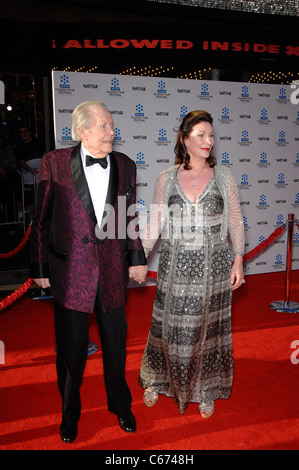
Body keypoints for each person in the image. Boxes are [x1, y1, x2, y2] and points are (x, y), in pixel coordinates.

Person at [30, 101, 148, 443]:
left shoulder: (125, 165)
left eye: (112, 126)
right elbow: (41, 219)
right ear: (82, 131)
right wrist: (39, 267)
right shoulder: (54, 162)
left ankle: (121, 406)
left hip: (112, 271)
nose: (112, 132)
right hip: (70, 274)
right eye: (104, 127)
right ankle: (69, 415)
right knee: (71, 350)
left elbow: (128, 216)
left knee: (117, 346)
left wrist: (137, 257)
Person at [139, 110, 245, 418]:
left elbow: (236, 220)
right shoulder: (166, 177)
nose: (208, 141)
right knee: (168, 326)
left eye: (211, 135)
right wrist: (139, 258)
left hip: (214, 264)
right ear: (184, 139)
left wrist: (238, 259)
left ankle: (205, 388)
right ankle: (157, 380)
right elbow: (156, 220)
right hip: (175, 264)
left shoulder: (224, 177)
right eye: (201, 135)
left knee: (208, 329)